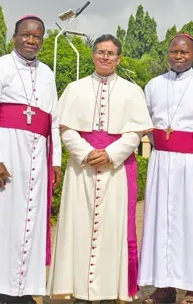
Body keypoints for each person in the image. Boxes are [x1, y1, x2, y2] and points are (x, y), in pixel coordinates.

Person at [48, 34, 154, 303]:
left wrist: (110, 154)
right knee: (78, 226)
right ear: (93, 55)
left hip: (116, 171)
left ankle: (110, 289)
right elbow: (65, 128)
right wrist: (85, 152)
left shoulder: (133, 91)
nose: (105, 57)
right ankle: (78, 288)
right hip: (81, 169)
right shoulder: (75, 88)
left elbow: (135, 132)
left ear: (119, 58)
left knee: (113, 231)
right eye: (100, 52)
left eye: (111, 53)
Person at [0, 15, 62, 304]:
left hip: (37, 157)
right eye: (26, 35)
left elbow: (53, 121)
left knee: (30, 222)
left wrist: (55, 160)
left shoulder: (47, 73)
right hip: (6, 156)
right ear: (15, 37)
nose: (31, 41)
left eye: (37, 37)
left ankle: (23, 288)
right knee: (0, 222)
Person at [139, 33, 193, 304]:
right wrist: (163, 147)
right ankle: (165, 287)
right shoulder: (153, 85)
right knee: (161, 223)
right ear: (168, 53)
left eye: (184, 52)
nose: (178, 56)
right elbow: (146, 122)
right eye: (174, 51)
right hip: (162, 162)